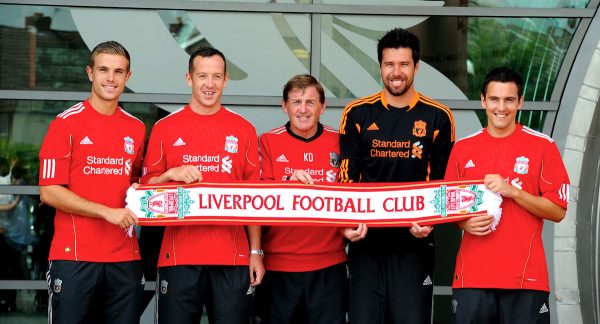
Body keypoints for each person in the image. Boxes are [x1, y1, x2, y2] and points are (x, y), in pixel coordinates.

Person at [338, 27, 455, 323]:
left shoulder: (438, 117)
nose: (396, 72)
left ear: (416, 67)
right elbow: (347, 177)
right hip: (365, 246)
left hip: (414, 247)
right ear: (380, 67)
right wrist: (345, 226)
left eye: (404, 64)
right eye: (389, 64)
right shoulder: (357, 113)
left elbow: (441, 182)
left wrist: (430, 222)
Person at [141, 47, 264, 324]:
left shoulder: (243, 128)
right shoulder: (165, 127)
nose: (210, 84)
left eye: (216, 77)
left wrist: (256, 253)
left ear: (226, 80)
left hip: (232, 258)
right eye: (202, 76)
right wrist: (170, 174)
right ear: (189, 79)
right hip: (178, 258)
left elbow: (254, 199)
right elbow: (145, 192)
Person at [444, 67, 570, 324]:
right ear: (483, 101)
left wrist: (514, 191)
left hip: (525, 281)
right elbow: (447, 206)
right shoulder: (462, 148)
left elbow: (558, 211)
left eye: (509, 99)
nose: (501, 107)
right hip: (472, 279)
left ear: (520, 102)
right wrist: (463, 222)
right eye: (494, 99)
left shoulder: (543, 146)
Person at [38, 41, 146, 323]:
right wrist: (106, 212)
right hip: (74, 256)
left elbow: (138, 184)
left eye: (118, 71)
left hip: (125, 258)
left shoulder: (136, 128)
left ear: (128, 77)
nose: (111, 78)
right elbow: (49, 192)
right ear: (90, 73)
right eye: (103, 70)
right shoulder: (65, 124)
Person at [257, 74, 346, 323]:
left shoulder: (340, 141)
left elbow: (355, 193)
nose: (303, 109)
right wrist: (288, 187)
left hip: (330, 265)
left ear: (323, 106)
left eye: (310, 102)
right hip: (279, 267)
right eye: (296, 102)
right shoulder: (268, 141)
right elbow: (258, 200)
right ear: (285, 106)